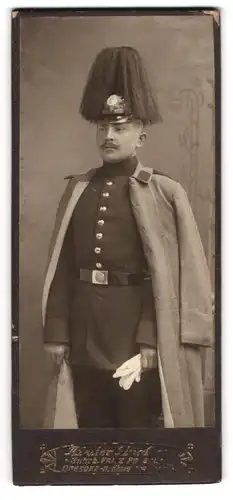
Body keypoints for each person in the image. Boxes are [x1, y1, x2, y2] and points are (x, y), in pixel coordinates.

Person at [43, 46, 213, 429]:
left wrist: (150, 343)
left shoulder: (163, 192)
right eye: (103, 128)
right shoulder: (77, 190)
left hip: (134, 342)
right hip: (83, 335)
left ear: (141, 135)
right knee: (87, 429)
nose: (109, 136)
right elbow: (64, 266)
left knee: (137, 431)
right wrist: (56, 332)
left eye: (120, 128)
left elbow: (169, 278)